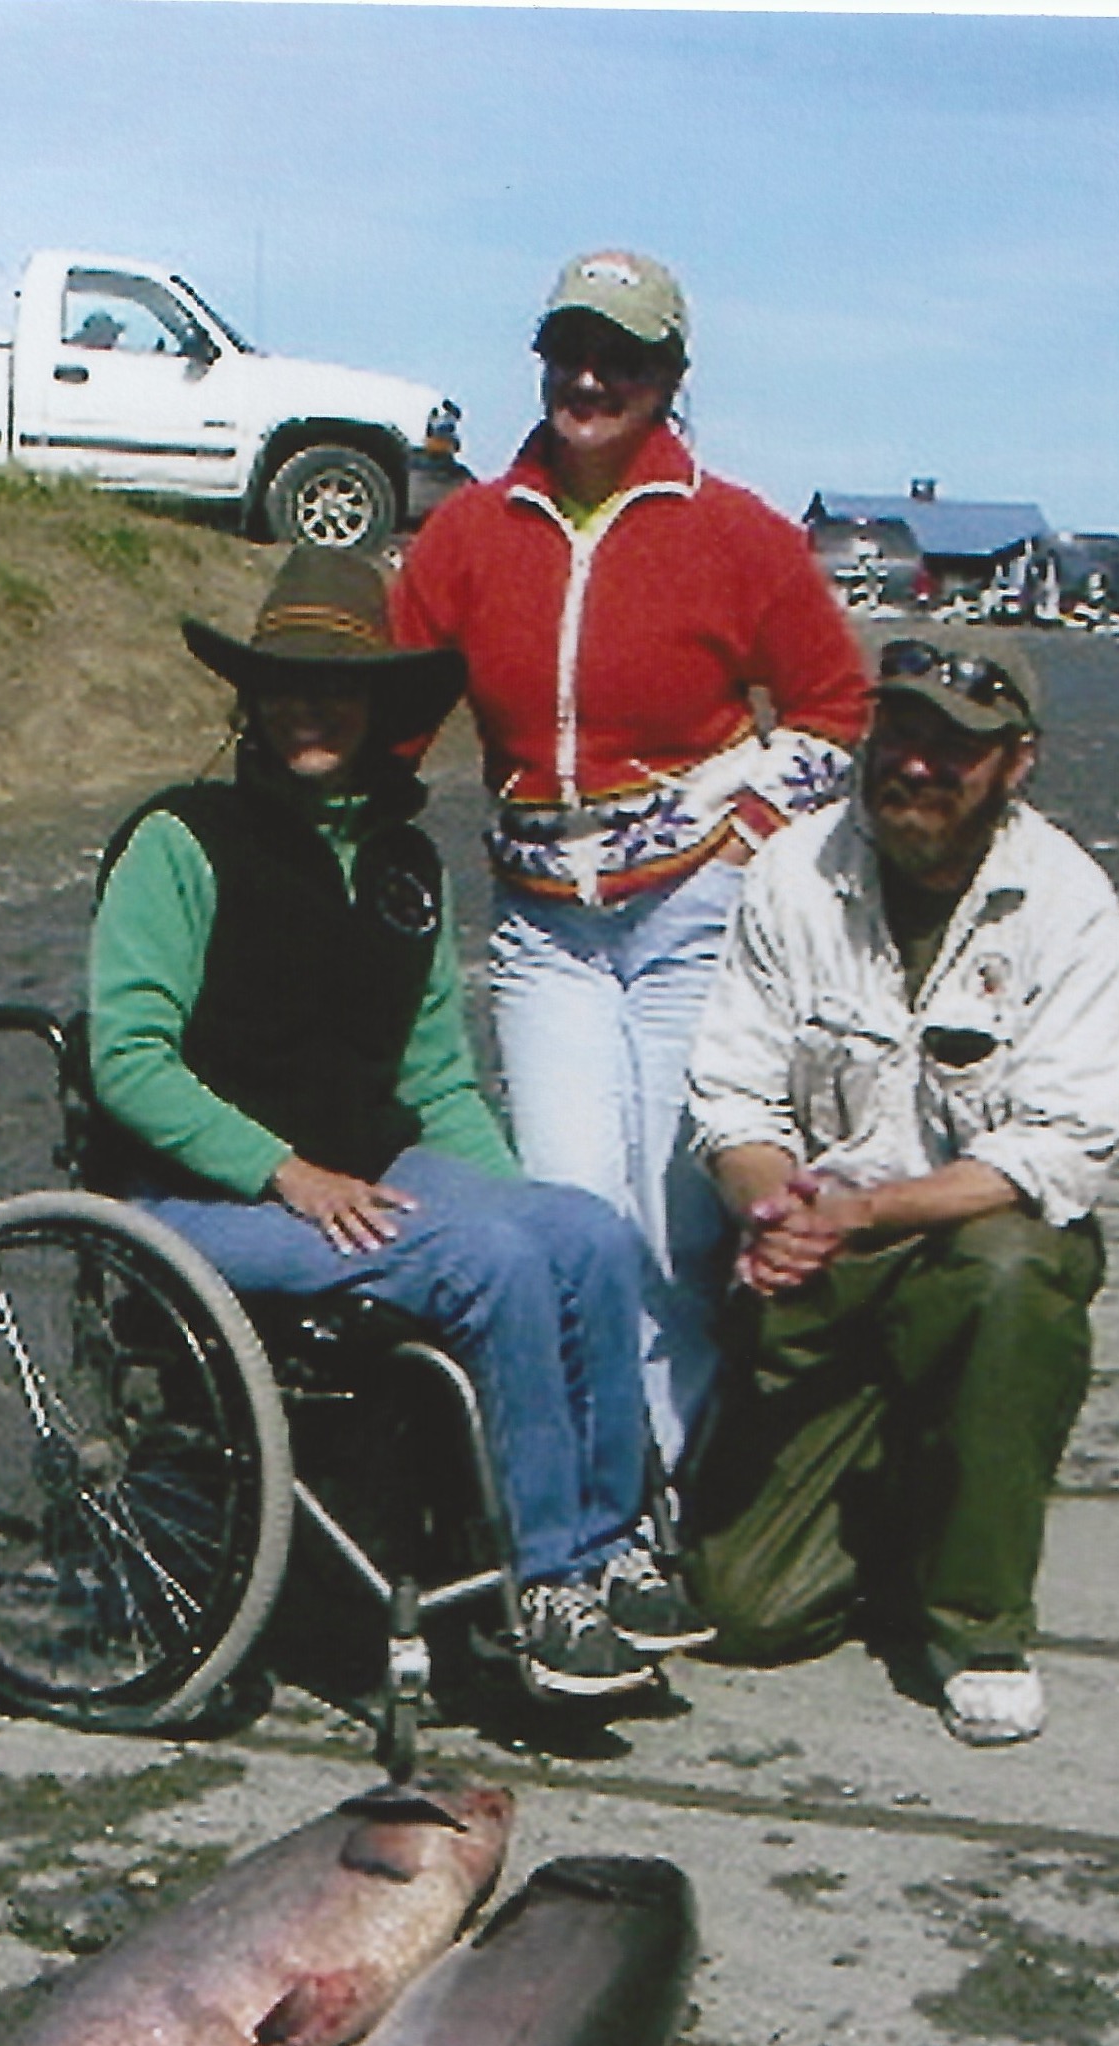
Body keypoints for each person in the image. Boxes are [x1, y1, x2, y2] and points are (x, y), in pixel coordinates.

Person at [82, 545, 680, 1702]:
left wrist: (515, 1199)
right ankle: (544, 1584)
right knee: (490, 1260)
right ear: (249, 698)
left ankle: (613, 1547)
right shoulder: (181, 841)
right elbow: (127, 1061)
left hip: (363, 1171)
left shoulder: (403, 862)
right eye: (285, 684)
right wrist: (283, 1170)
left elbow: (435, 1076)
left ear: (375, 706)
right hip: (193, 1196)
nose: (310, 708)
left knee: (584, 1235)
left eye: (337, 687)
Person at [390, 247, 872, 1474]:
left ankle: (678, 1494)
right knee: (574, 1215)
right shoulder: (466, 533)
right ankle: (602, 1499)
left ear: (669, 378)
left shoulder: (737, 532)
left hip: (692, 917)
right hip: (542, 929)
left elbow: (833, 709)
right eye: (569, 352)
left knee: (674, 1227)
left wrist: (744, 837)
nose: (590, 380)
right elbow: (388, 712)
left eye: (623, 360)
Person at [673, 633, 1119, 1746]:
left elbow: (1062, 1148)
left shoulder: (1067, 900)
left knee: (1012, 1274)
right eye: (899, 735)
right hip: (822, 1266)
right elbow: (731, 1100)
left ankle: (981, 1626)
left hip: (964, 1244)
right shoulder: (791, 871)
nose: (916, 766)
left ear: (1016, 762)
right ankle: (913, 1499)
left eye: (954, 748)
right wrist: (773, 1210)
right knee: (741, 1612)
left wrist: (862, 1214)